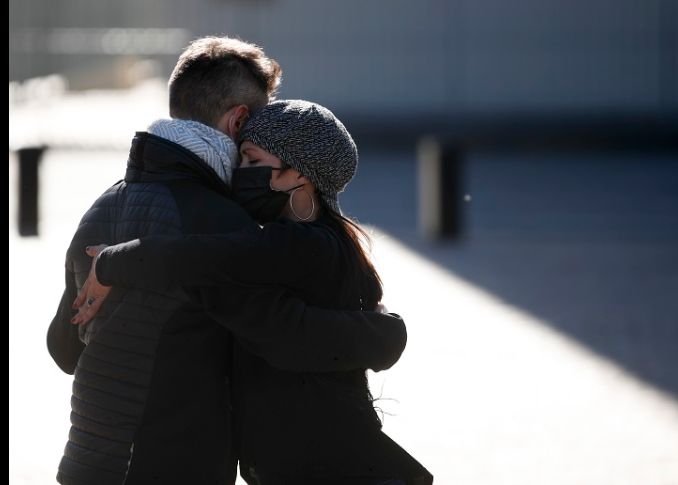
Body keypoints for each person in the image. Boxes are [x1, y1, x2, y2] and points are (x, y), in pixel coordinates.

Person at [47, 38, 408, 485]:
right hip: (176, 463)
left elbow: (64, 350)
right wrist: (386, 332)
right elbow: (285, 334)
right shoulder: (220, 221)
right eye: (254, 133)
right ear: (239, 119)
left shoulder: (100, 210)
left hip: (86, 463)